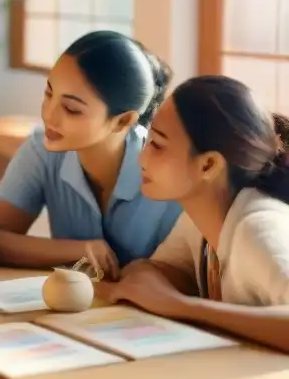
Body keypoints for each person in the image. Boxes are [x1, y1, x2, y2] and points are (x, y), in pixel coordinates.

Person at [0, 31, 182, 279]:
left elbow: (186, 278)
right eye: (49, 94)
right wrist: (81, 250)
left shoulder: (167, 173)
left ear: (122, 121)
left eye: (71, 109)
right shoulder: (43, 148)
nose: (49, 115)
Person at [98, 76, 289, 350]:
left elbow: (172, 297)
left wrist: (184, 307)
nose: (142, 158)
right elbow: (161, 270)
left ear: (208, 165)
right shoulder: (199, 217)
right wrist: (149, 285)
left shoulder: (258, 228)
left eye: (158, 145)